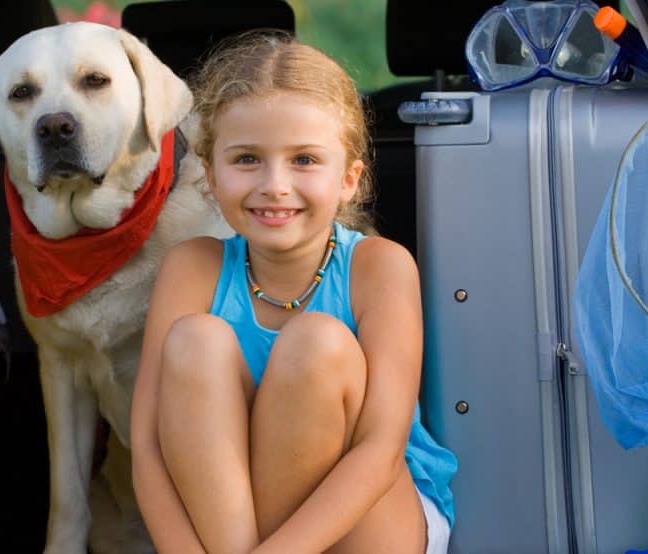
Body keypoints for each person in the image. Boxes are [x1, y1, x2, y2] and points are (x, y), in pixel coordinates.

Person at [129, 31, 458, 553]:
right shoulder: (191, 268)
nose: (275, 185)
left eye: (304, 160)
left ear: (349, 179)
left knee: (317, 343)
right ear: (210, 176)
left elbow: (380, 449)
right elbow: (146, 447)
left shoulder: (380, 267)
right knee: (196, 340)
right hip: (230, 534)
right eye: (246, 160)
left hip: (366, 514)